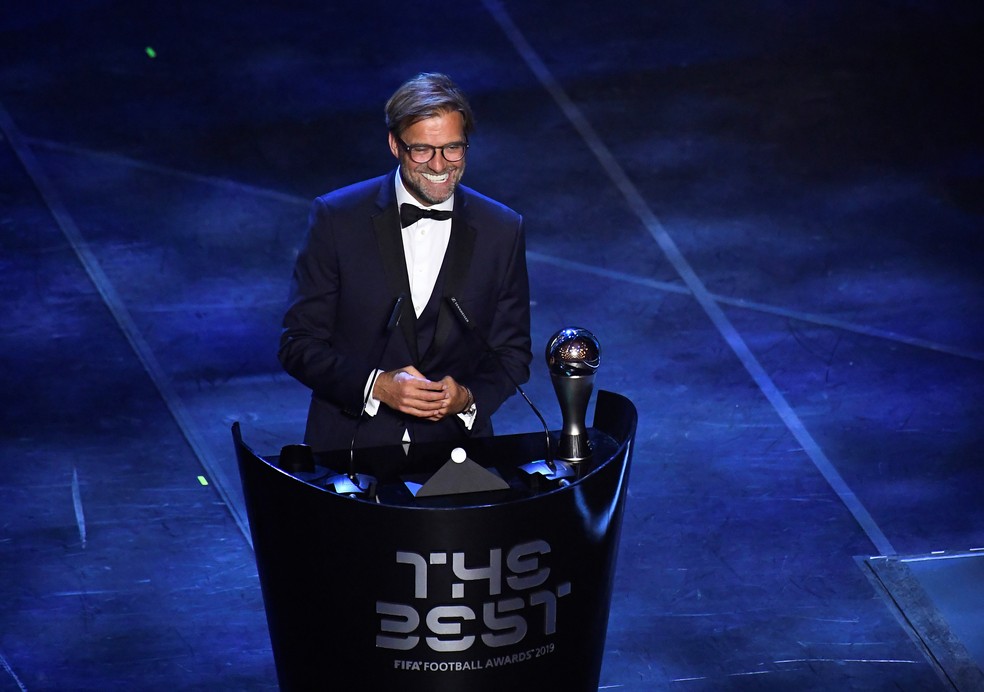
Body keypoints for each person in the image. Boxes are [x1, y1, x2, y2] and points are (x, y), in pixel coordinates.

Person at [279, 73, 532, 452]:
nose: (439, 164)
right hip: (350, 448)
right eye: (423, 150)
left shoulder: (501, 228)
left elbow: (512, 353)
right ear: (395, 145)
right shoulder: (337, 217)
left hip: (456, 452)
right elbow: (298, 344)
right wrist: (376, 386)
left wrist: (466, 398)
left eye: (453, 148)